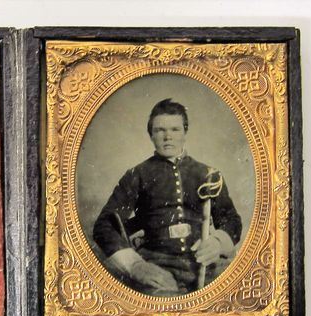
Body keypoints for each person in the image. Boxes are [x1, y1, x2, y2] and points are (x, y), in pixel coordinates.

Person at [92, 98, 242, 296]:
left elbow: (231, 220)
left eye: (175, 129)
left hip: (204, 266)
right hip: (156, 267)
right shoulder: (136, 175)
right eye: (160, 130)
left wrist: (216, 243)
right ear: (151, 135)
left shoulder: (208, 175)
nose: (167, 137)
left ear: (185, 132)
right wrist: (134, 265)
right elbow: (105, 225)